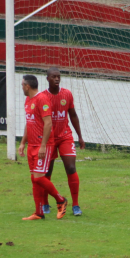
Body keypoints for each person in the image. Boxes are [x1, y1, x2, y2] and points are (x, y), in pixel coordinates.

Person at [18, 74, 68, 221]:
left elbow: (48, 123)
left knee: (39, 178)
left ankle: (60, 200)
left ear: (27, 86)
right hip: (31, 145)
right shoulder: (28, 100)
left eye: (22, 85)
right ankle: (38, 213)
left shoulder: (42, 99)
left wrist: (43, 146)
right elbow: (29, 122)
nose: (21, 87)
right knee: (34, 179)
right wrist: (22, 143)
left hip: (42, 146)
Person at [39, 67, 84, 216]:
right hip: (49, 138)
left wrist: (80, 136)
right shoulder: (43, 98)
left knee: (71, 168)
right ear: (47, 79)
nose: (57, 79)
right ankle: (45, 203)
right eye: (53, 77)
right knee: (47, 171)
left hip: (65, 135)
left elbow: (73, 115)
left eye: (58, 76)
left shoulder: (67, 94)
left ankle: (75, 205)